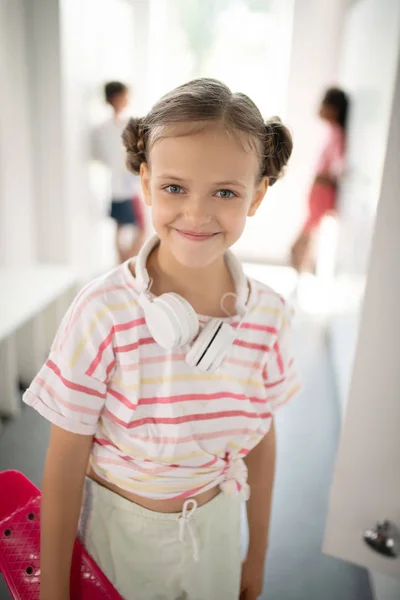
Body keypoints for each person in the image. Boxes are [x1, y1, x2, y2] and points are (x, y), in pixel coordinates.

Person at [23, 78, 302, 600]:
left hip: (216, 530)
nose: (197, 215)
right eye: (175, 188)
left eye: (225, 192)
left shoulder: (267, 314)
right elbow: (64, 460)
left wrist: (255, 554)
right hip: (117, 537)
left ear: (258, 194)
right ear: (146, 183)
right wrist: (54, 591)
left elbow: (262, 439)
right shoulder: (102, 310)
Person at [291, 87, 349, 272]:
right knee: (309, 232)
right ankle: (299, 270)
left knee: (306, 233)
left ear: (334, 108)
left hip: (322, 191)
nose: (319, 108)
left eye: (323, 104)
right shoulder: (333, 132)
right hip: (320, 189)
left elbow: (338, 167)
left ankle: (297, 267)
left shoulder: (337, 134)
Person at [92, 81, 146, 263]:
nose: (126, 100)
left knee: (124, 227)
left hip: (124, 184)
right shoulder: (110, 128)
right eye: (124, 95)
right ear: (114, 98)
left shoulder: (116, 125)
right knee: (135, 227)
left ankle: (124, 263)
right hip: (124, 185)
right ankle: (127, 264)